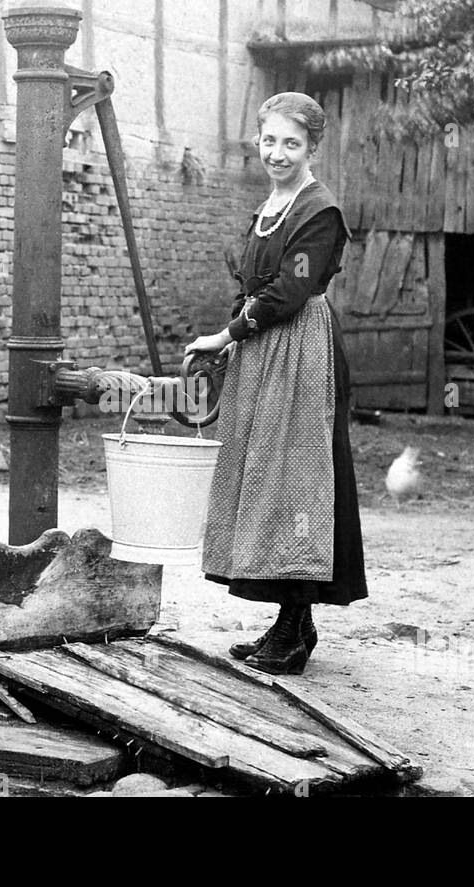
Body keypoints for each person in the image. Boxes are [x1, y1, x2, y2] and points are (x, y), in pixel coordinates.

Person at [185, 92, 367, 676]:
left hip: (302, 353)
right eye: (270, 141)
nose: (278, 153)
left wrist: (228, 334)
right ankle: (292, 625)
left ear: (313, 146)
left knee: (297, 482)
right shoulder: (270, 205)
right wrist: (230, 337)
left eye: (292, 143)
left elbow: (291, 291)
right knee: (265, 478)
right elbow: (251, 283)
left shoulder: (320, 212)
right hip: (263, 350)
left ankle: (293, 630)